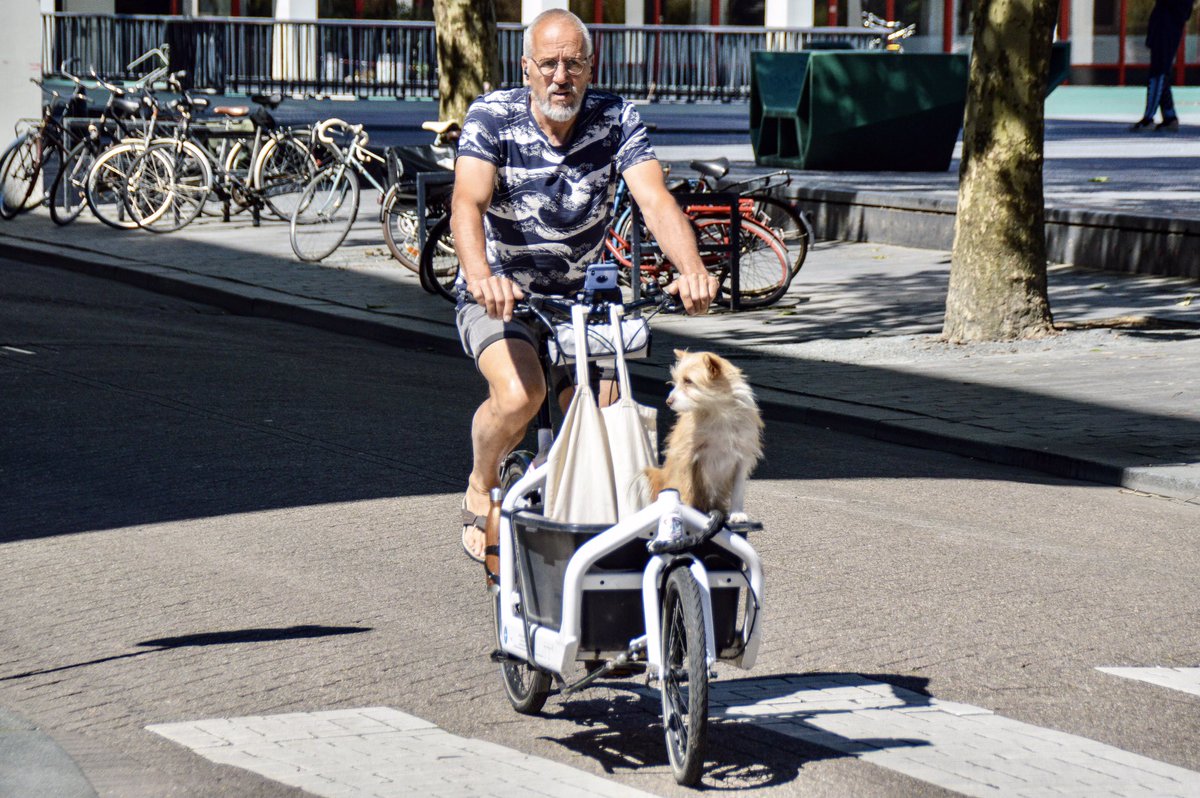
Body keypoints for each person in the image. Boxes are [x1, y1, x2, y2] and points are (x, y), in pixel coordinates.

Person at [451, 8, 719, 562]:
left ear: (590, 67)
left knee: (609, 416)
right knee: (521, 394)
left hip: (584, 300)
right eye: (548, 63)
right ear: (526, 67)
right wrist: (481, 278)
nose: (560, 76)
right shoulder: (492, 117)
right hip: (503, 294)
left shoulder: (616, 117)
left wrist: (691, 269)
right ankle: (480, 484)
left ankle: (596, 524)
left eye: (573, 63)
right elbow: (467, 202)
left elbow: (654, 200)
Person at [1131, 0, 1196, 131]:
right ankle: (1169, 115)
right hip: (1163, 23)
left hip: (1167, 25)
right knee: (1161, 72)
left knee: (1158, 73)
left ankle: (1149, 117)